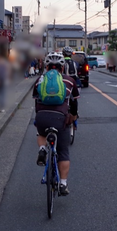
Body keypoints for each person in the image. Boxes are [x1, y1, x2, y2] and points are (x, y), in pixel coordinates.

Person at [33, 52, 80, 196]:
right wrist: (73, 115)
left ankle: (42, 149)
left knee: (40, 132)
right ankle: (63, 184)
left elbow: (36, 100)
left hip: (42, 118)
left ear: (46, 67)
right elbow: (74, 102)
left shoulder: (39, 81)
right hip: (60, 119)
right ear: (62, 67)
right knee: (63, 152)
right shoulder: (70, 80)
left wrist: (39, 116)